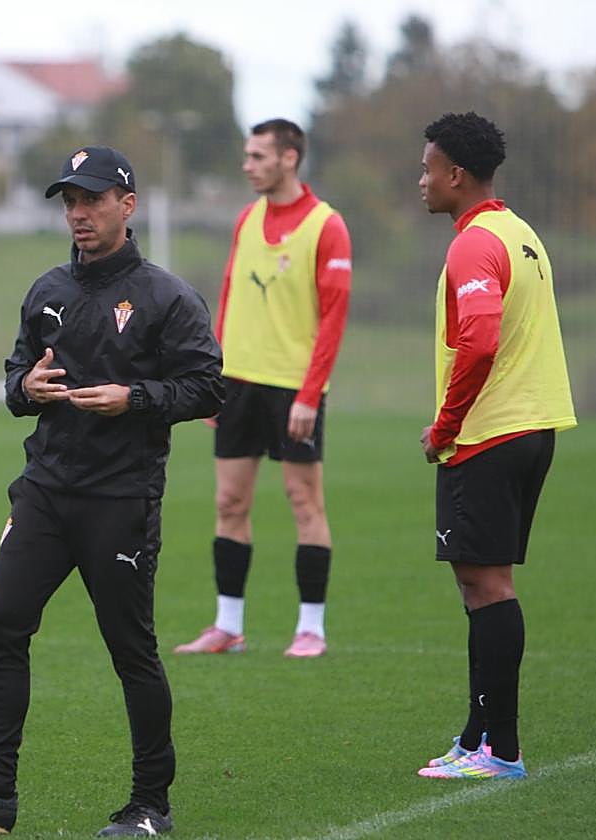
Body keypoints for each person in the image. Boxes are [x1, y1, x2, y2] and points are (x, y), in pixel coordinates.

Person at [0, 145, 224, 836]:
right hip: (45, 494)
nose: (79, 213)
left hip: (120, 501)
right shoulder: (46, 290)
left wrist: (133, 397)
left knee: (130, 650)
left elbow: (208, 387)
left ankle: (151, 806)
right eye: (70, 201)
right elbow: (14, 380)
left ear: (127, 205)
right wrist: (26, 386)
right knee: (1, 623)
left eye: (93, 199)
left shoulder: (168, 297)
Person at [412, 112, 576, 780]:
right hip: (532, 428)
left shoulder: (474, 244)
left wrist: (445, 426)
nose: (421, 180)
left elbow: (478, 342)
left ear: (456, 174)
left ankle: (501, 751)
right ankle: (476, 736)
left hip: (490, 432)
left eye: (427, 169)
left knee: (487, 586)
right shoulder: (521, 233)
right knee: (479, 583)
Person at [173, 119, 351, 659]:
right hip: (237, 384)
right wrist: (212, 379)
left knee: (304, 502)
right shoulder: (247, 219)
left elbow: (333, 318)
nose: (247, 165)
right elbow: (229, 297)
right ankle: (228, 626)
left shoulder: (327, 226)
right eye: (247, 155)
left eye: (257, 156)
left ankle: (311, 629)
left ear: (288, 158)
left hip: (294, 388)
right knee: (229, 502)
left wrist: (309, 394)